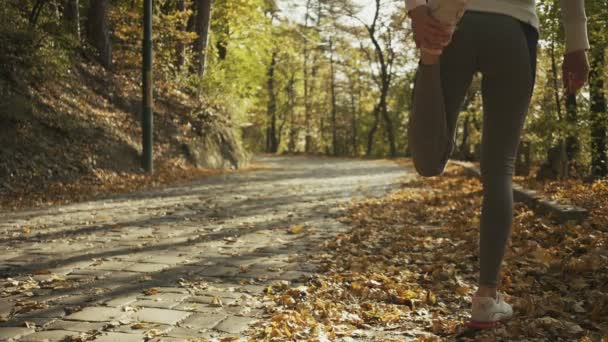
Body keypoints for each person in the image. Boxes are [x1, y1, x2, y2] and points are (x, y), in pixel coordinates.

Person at [406, 0, 590, 329]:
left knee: (429, 162)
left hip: (451, 19)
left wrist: (417, 9)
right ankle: (486, 299)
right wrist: (577, 44)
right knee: (499, 169)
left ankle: (429, 61)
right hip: (512, 29)